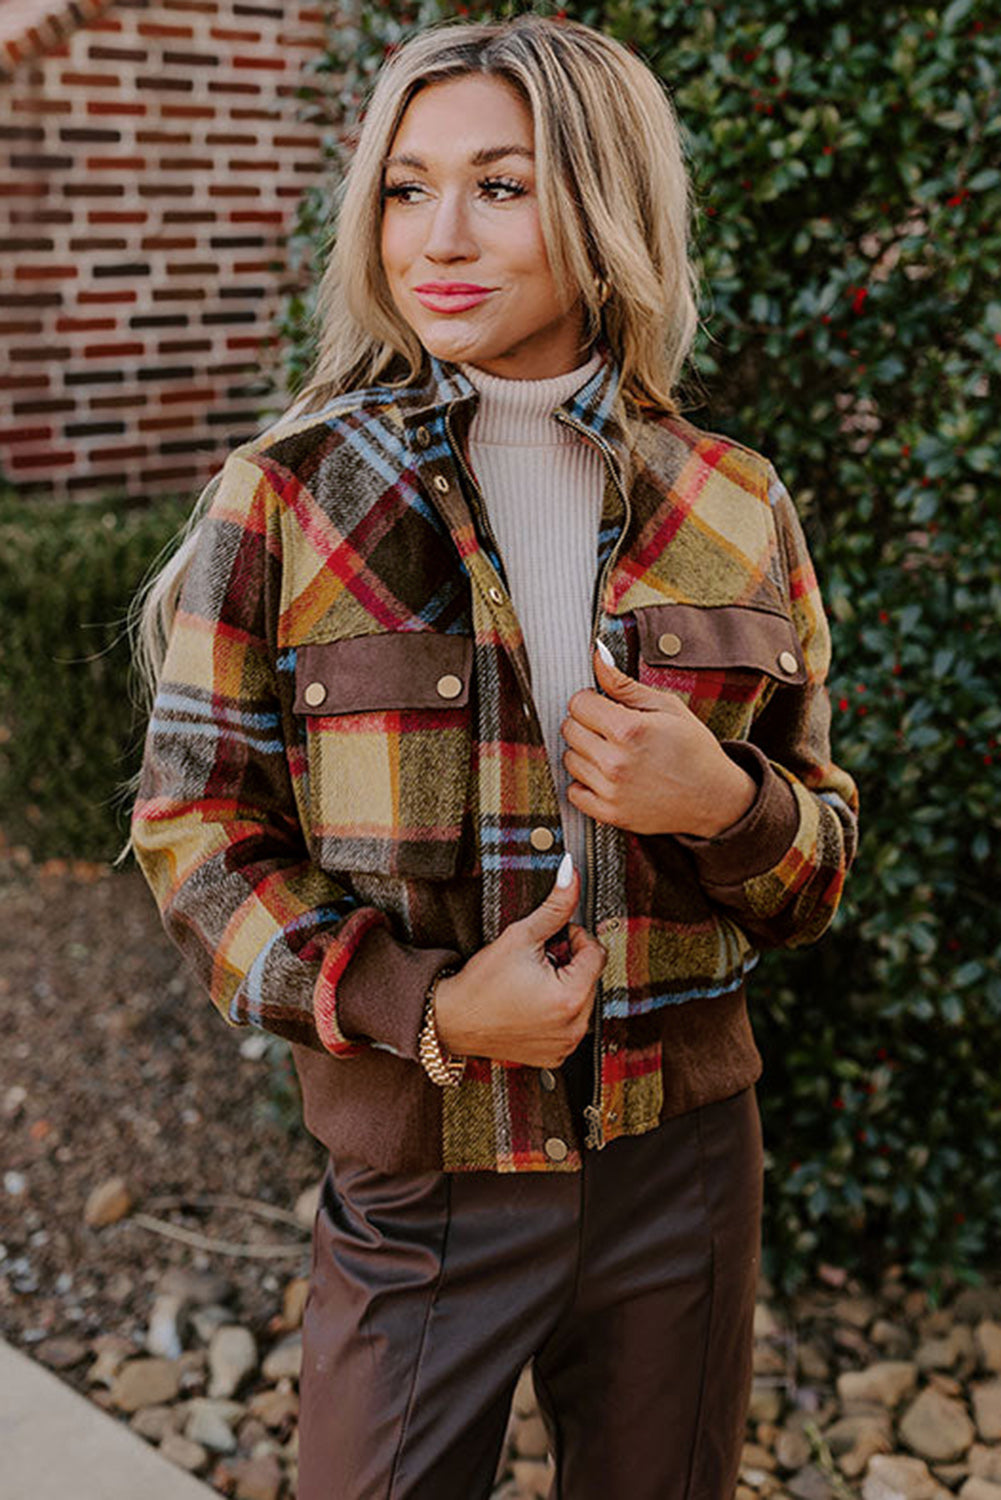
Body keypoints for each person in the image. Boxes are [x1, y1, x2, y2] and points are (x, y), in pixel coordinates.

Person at [129, 14, 859, 1499]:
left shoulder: (732, 501)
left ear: (602, 208)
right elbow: (194, 838)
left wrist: (721, 804)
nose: (436, 237)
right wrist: (433, 1006)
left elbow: (820, 860)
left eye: (501, 186)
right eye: (405, 188)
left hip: (683, 1159)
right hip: (423, 1174)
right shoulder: (285, 500)